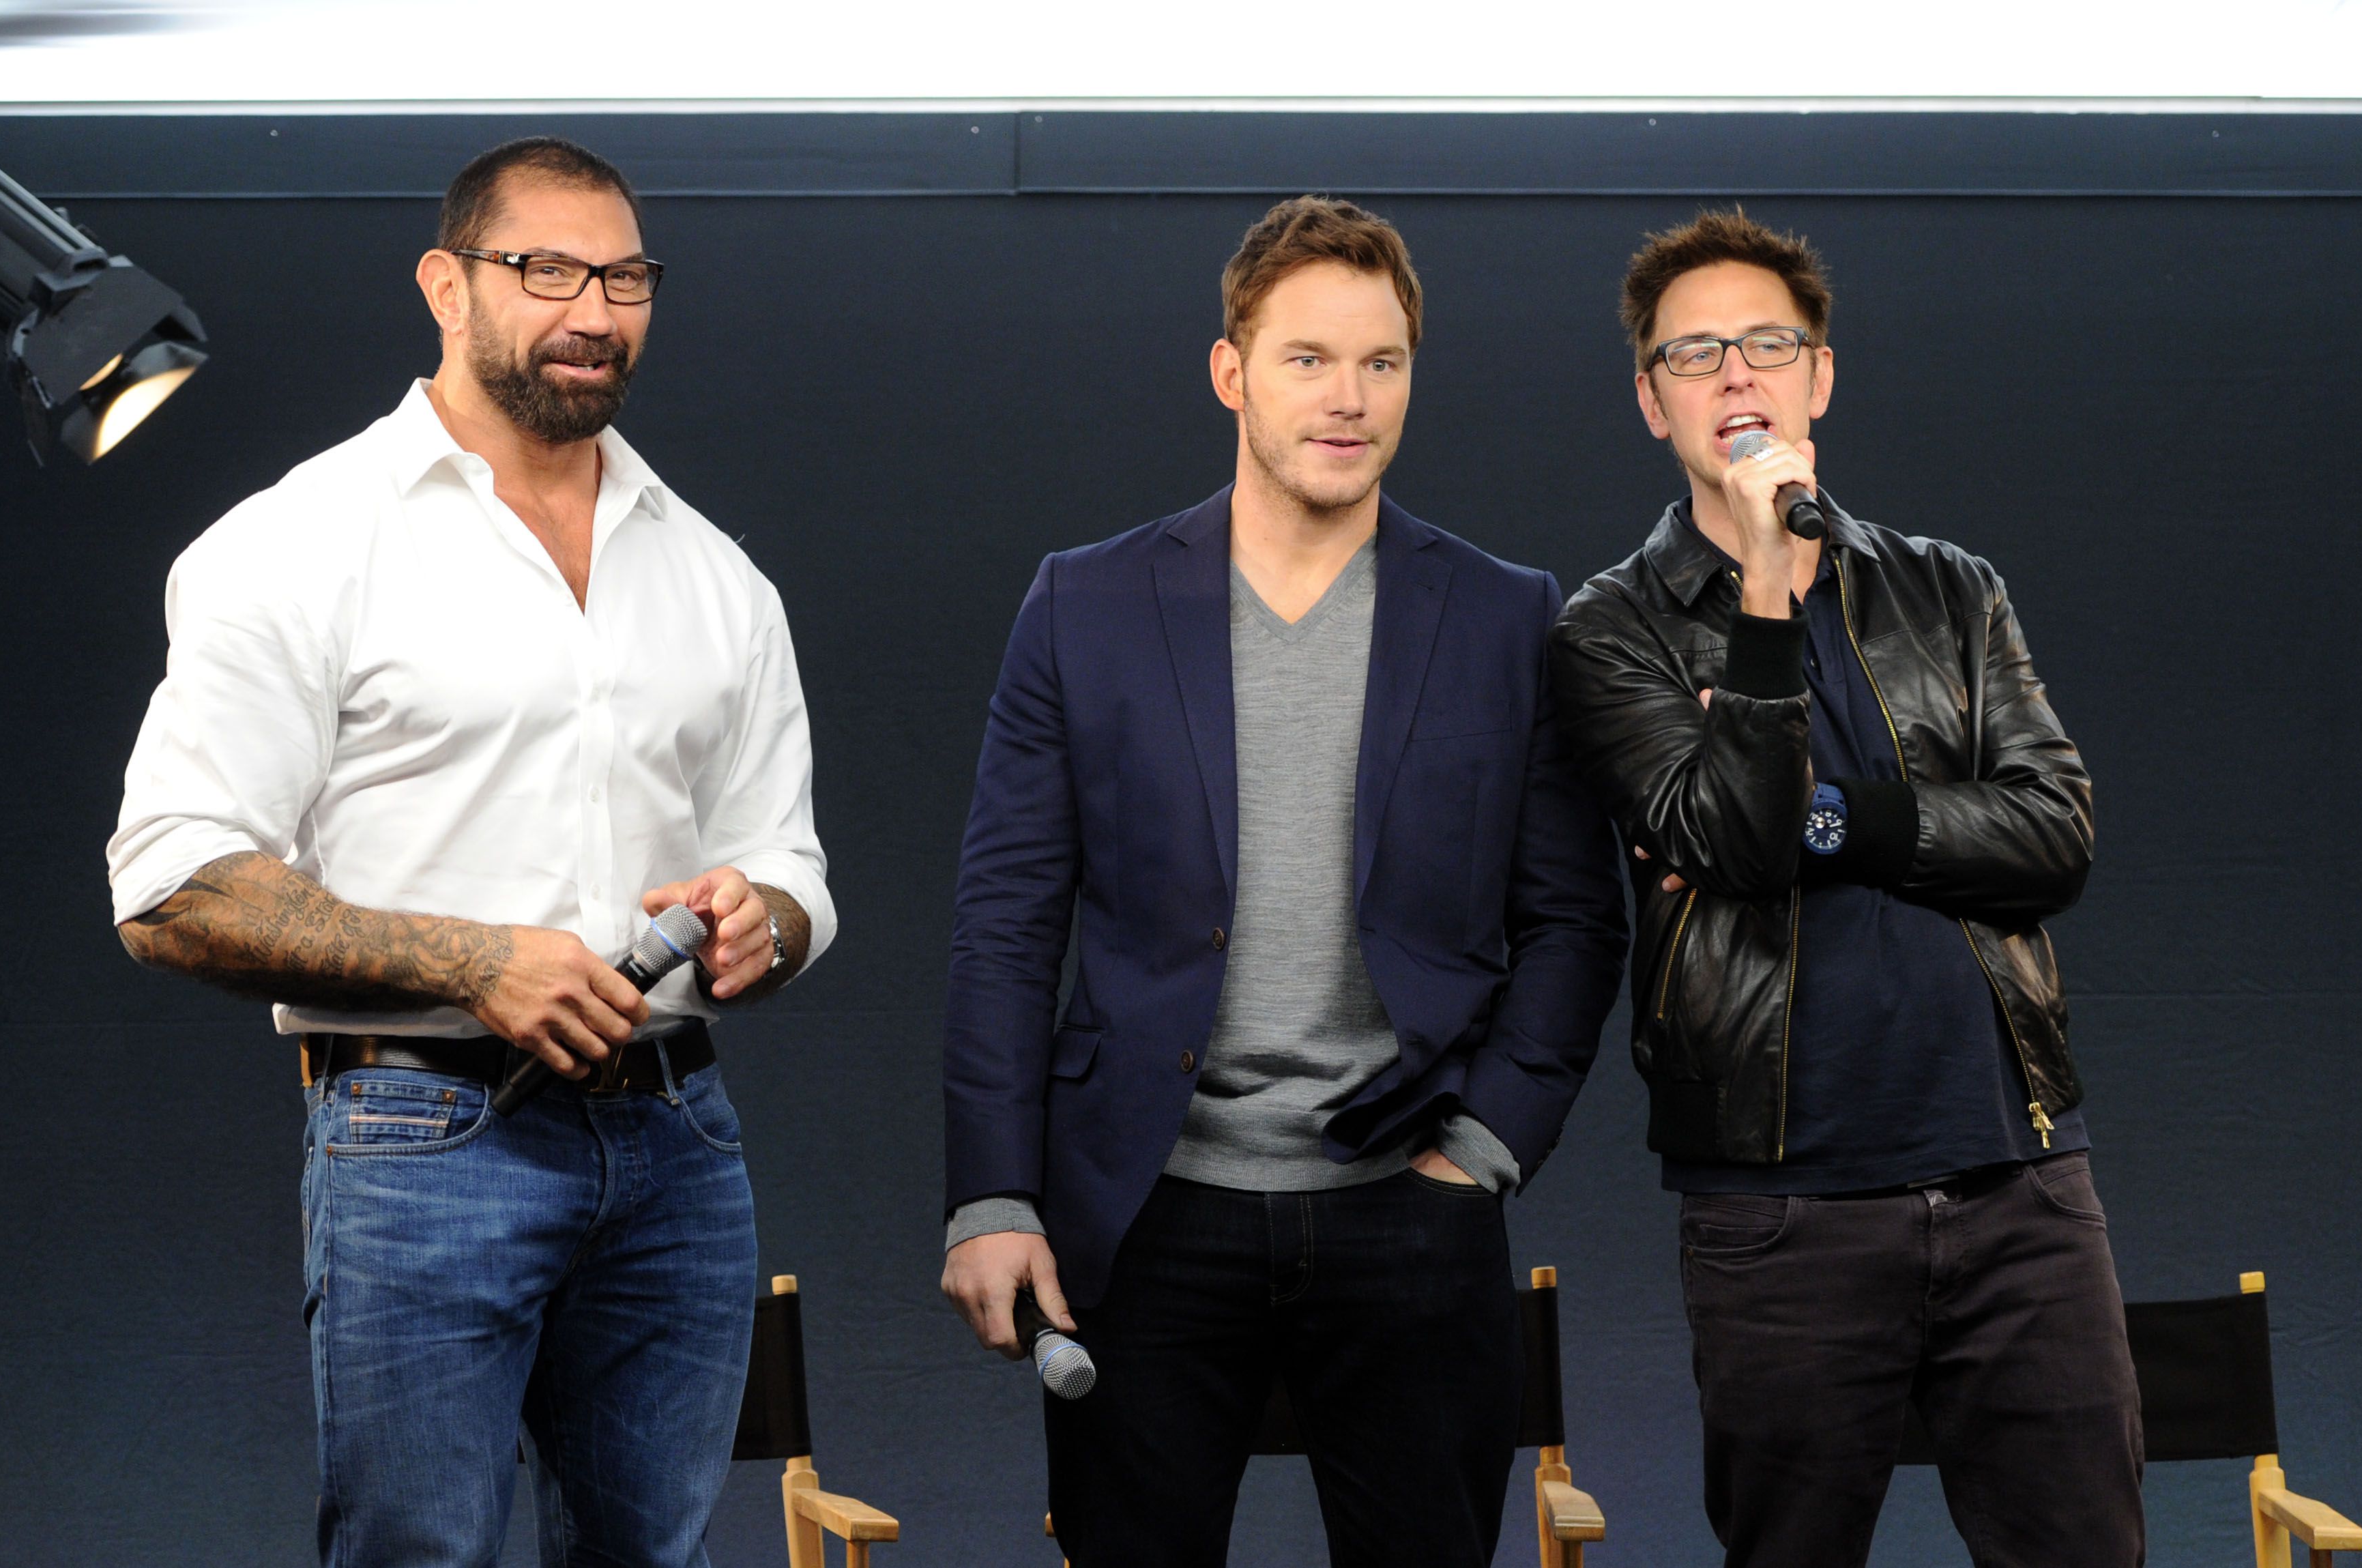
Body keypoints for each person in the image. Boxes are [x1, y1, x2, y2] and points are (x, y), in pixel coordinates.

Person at [106, 137, 832, 1568]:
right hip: (423, 1133)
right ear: (446, 286)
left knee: (659, 1559)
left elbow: (791, 863)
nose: (594, 311)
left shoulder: (717, 576)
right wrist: (473, 961)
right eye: (546, 270)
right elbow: (170, 884)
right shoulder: (299, 543)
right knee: (419, 1554)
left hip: (679, 1141)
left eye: (625, 277)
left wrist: (764, 916)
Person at [939, 195, 1630, 1568]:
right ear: (1231, 371)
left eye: (1382, 362)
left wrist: (1485, 1149)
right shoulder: (1084, 604)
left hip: (1410, 1208)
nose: (1348, 397)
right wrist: (992, 1195)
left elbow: (1575, 917)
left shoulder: (1504, 615)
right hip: (1145, 1210)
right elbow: (1005, 928)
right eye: (1308, 358)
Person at [1548, 209, 2140, 1567]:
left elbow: (2056, 834)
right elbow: (1741, 849)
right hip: (1780, 1214)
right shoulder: (1609, 628)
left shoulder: (1951, 590)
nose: (1735, 375)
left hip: (2023, 1187)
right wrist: (1764, 591)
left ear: (1818, 376)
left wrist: (1837, 815)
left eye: (1767, 344)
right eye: (1694, 354)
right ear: (1651, 401)